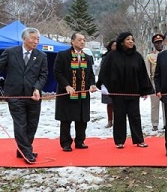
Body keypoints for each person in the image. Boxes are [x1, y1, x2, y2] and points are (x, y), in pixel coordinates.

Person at [97, 32, 153, 148]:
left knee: (135, 116)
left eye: (132, 39)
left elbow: (142, 74)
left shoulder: (137, 56)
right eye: (128, 39)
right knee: (119, 116)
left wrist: (145, 90)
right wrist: (104, 85)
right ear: (121, 41)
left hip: (133, 92)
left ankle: (138, 140)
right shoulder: (112, 56)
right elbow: (104, 72)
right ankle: (119, 141)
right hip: (118, 93)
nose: (131, 41)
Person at [0, 27, 48, 163]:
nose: (36, 41)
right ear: (24, 39)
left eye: (38, 39)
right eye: (33, 38)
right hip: (14, 96)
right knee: (20, 124)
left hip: (34, 96)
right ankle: (27, 152)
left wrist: (37, 88)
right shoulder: (10, 52)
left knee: (32, 125)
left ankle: (23, 149)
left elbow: (43, 75)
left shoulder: (41, 56)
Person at [54, 33, 97, 152]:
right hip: (67, 92)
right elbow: (57, 72)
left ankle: (80, 141)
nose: (82, 42)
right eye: (79, 40)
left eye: (84, 40)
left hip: (82, 92)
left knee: (82, 118)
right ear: (72, 41)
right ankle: (66, 143)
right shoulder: (62, 55)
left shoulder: (87, 57)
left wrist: (93, 84)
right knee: (66, 119)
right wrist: (66, 85)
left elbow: (91, 74)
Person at [147, 33, 165, 131]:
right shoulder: (150, 56)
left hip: (165, 83)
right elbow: (147, 71)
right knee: (155, 105)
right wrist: (149, 85)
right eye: (157, 43)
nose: (159, 44)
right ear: (154, 44)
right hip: (154, 82)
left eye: (160, 42)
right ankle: (155, 123)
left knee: (166, 104)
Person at [100, 40, 116, 128]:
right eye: (113, 45)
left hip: (119, 83)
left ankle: (117, 120)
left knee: (118, 104)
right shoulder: (105, 57)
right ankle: (110, 120)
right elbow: (102, 70)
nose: (115, 47)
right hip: (108, 83)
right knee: (109, 103)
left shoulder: (121, 55)